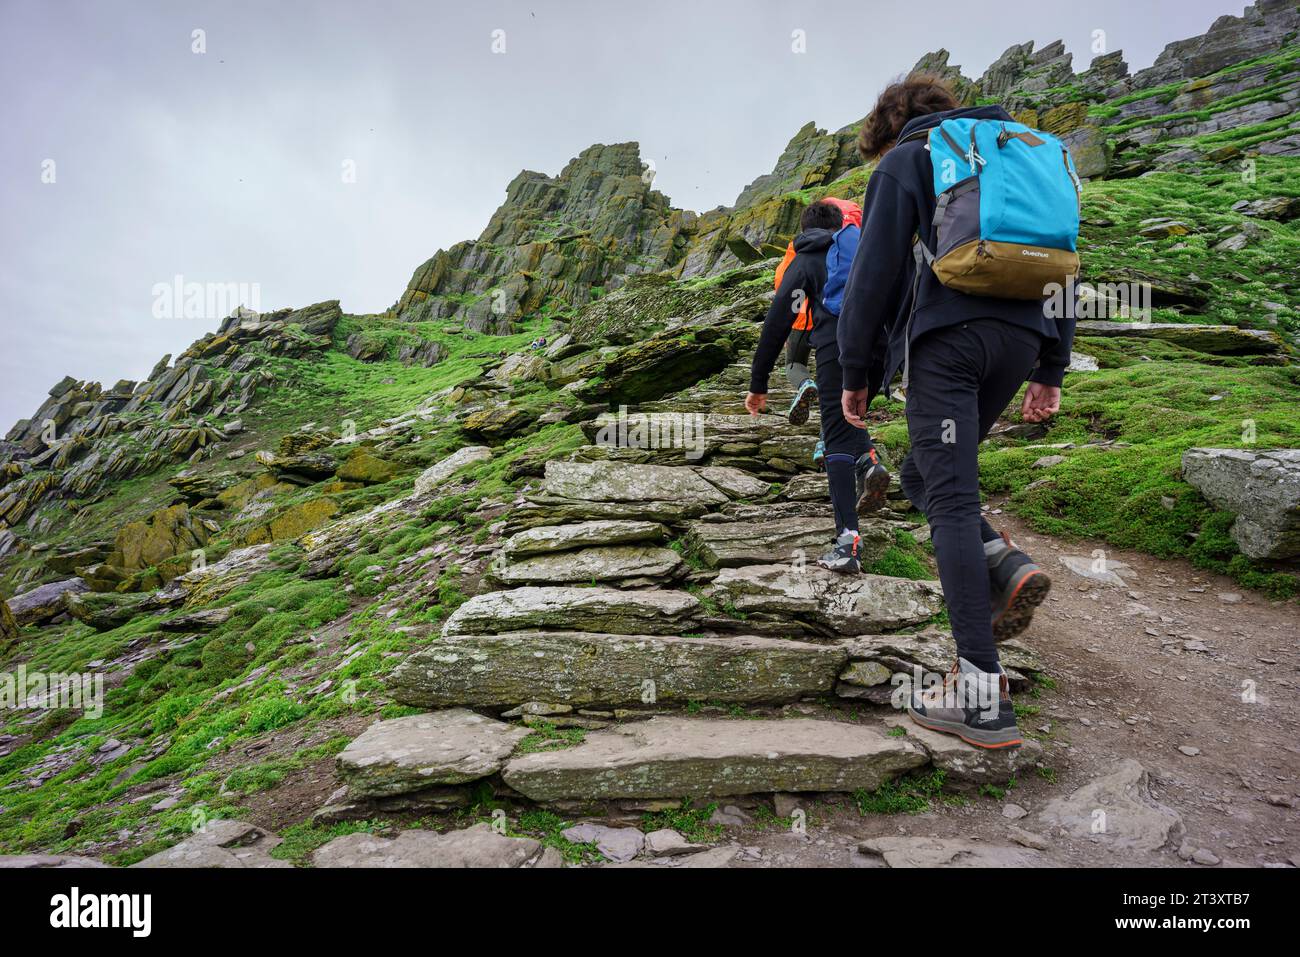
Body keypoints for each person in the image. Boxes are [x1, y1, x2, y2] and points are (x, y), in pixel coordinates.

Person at [837, 77, 1075, 749]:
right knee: (924, 474)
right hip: (1020, 339)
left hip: (951, 343)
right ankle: (1001, 559)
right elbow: (1062, 259)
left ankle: (978, 692)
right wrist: (1052, 365)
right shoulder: (1024, 150)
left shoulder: (909, 157)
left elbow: (875, 274)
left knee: (946, 496)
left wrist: (856, 371)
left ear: (889, 127)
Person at [746, 200, 890, 573]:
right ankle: (868, 459)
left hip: (836, 350)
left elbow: (779, 320)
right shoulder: (861, 246)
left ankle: (847, 544)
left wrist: (758, 382)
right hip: (880, 350)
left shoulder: (806, 258)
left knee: (835, 440)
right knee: (849, 418)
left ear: (804, 229)